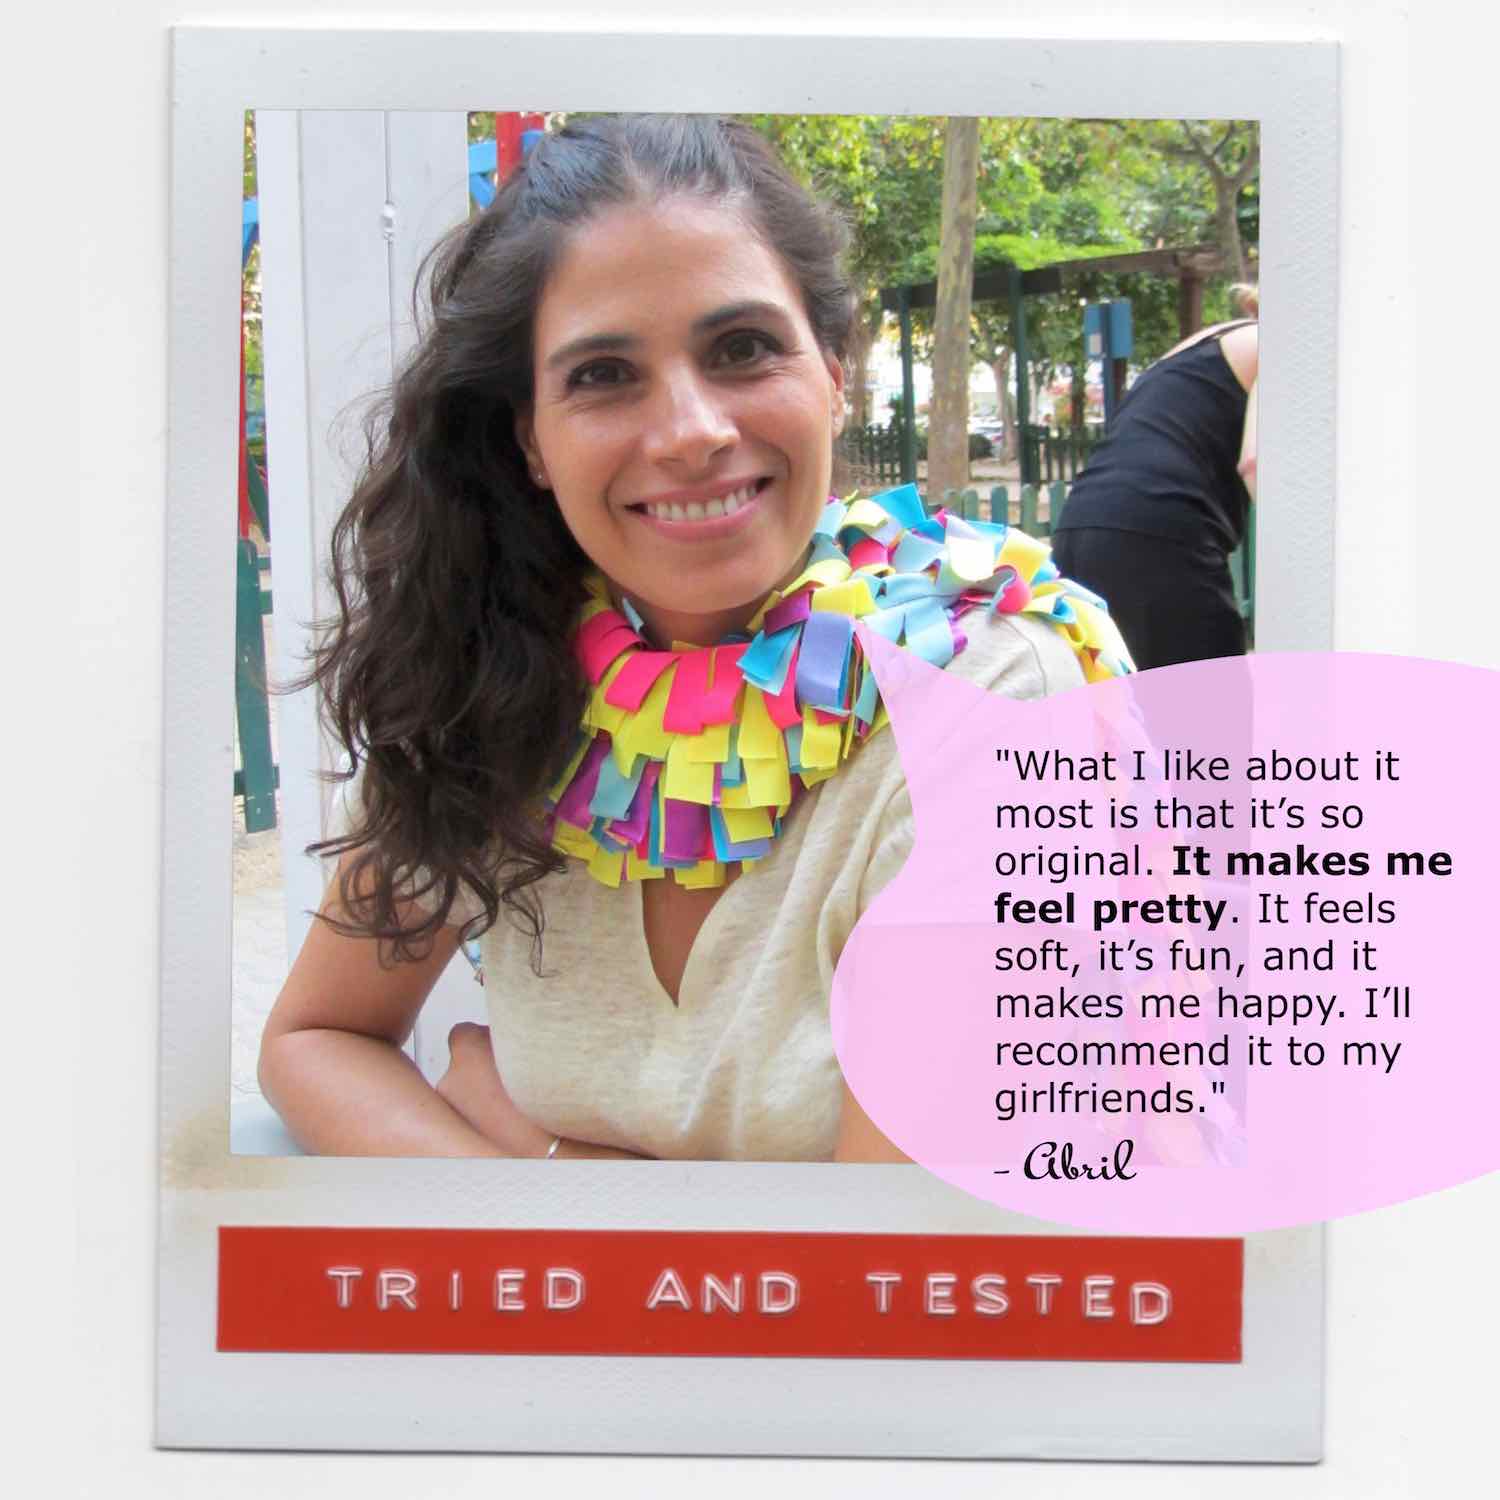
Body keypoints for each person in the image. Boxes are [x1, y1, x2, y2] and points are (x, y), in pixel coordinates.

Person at [258, 114, 1129, 1163]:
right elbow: (315, 1037)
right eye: (602, 375)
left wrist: (529, 1139)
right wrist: (530, 1188)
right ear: (531, 439)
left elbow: (883, 1286)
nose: (691, 431)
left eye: (743, 349)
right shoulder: (488, 669)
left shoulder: (1000, 701)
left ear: (835, 372)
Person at [1050, 305, 1259, 671]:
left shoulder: (1209, 343)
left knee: (1123, 708)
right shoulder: (1276, 346)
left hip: (1081, 523)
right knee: (1212, 714)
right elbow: (1257, 462)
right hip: (1159, 532)